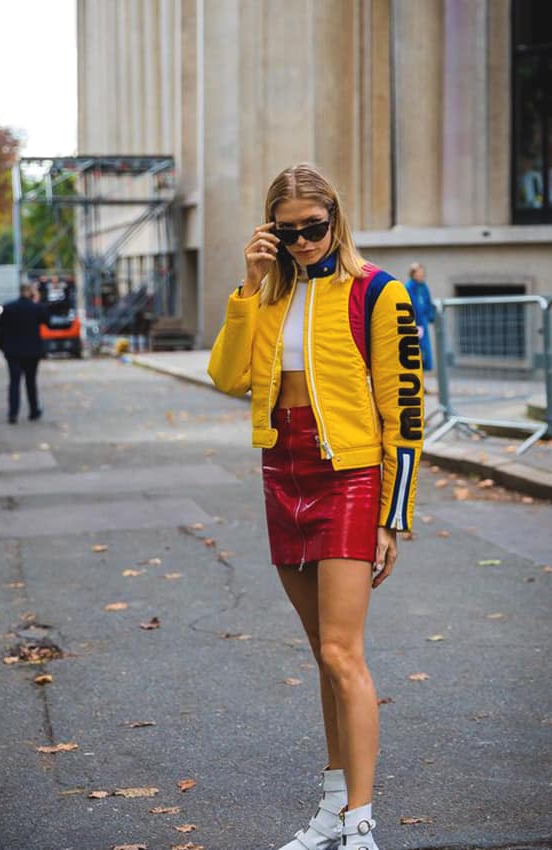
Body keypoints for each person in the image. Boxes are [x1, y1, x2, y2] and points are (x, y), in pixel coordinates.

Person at [207, 163, 424, 850]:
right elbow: (227, 376)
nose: (303, 241)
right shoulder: (269, 298)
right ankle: (334, 807)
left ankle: (360, 822)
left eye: (314, 228)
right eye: (288, 230)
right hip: (284, 471)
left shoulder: (377, 292)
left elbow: (406, 411)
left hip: (350, 475)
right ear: (271, 229)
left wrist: (395, 515)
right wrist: (247, 287)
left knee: (341, 650)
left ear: (336, 218)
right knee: (321, 653)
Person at [0, 282, 48, 424]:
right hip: (32, 352)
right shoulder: (36, 308)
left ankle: (13, 414)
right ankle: (33, 410)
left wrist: (3, 347)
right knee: (31, 382)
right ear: (31, 293)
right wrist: (37, 301)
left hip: (13, 352)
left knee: (14, 382)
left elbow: (1, 331)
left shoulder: (8, 308)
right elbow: (47, 320)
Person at [404, 262, 435, 373]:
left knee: (425, 352)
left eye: (422, 273)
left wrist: (430, 316)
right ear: (413, 274)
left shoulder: (423, 286)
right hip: (415, 324)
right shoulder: (409, 287)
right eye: (419, 273)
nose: (421, 275)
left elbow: (427, 302)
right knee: (416, 351)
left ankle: (423, 379)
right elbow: (411, 305)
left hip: (423, 324)